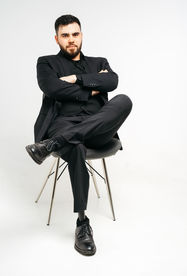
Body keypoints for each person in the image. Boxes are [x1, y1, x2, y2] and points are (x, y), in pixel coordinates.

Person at [25, 14, 132, 256]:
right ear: (57, 38)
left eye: (75, 34)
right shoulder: (47, 63)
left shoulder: (99, 61)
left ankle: (51, 145)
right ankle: (82, 223)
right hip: (61, 125)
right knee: (75, 145)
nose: (71, 40)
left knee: (124, 101)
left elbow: (112, 81)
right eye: (65, 35)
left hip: (98, 128)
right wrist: (93, 89)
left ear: (81, 35)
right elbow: (52, 87)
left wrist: (76, 79)